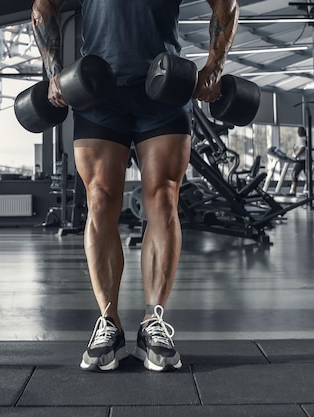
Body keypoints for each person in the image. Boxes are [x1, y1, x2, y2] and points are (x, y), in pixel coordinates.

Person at [31, 0, 239, 372]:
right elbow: (44, 6)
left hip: (163, 88)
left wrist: (215, 67)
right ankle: (108, 323)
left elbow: (226, 4)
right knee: (99, 200)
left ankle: (153, 323)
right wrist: (54, 71)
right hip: (97, 91)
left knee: (163, 199)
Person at [289, 126, 307, 196]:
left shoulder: (301, 139)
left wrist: (297, 155)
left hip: (301, 160)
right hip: (305, 160)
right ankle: (306, 189)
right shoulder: (305, 139)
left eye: (298, 131)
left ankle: (293, 191)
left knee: (294, 174)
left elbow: (303, 148)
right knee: (307, 176)